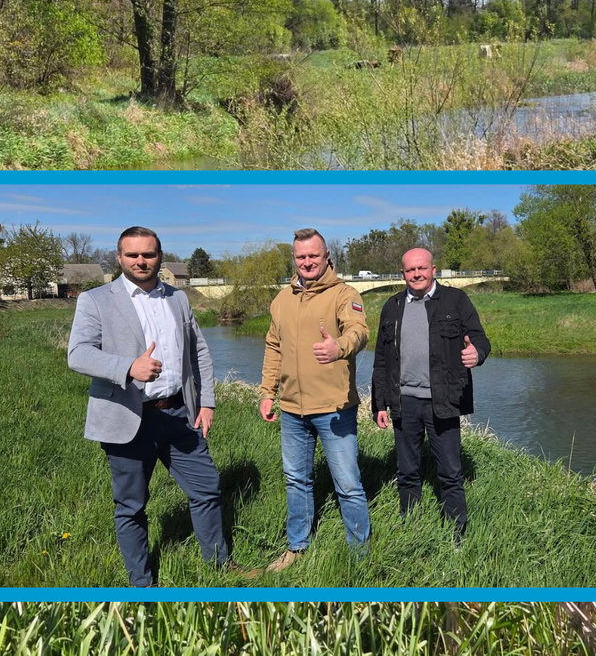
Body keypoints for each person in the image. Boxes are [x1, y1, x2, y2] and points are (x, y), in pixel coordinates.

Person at [67, 226, 228, 587]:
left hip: (180, 414)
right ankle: (142, 585)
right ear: (119, 258)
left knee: (207, 489)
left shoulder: (178, 298)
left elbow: (199, 352)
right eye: (133, 255)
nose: (141, 261)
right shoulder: (95, 300)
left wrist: (206, 402)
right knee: (131, 506)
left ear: (160, 257)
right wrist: (128, 367)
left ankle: (220, 569)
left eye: (149, 254)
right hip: (128, 417)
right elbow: (78, 354)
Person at [249, 228, 371, 575]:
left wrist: (339, 347)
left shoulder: (344, 294)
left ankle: (359, 557)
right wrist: (266, 393)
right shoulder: (282, 299)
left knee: (347, 484)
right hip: (291, 410)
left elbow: (359, 331)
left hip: (334, 409)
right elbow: (274, 347)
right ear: (294, 259)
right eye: (301, 257)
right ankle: (297, 548)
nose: (307, 262)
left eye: (313, 256)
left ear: (327, 256)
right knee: (296, 480)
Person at [371, 247, 491, 541]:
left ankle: (457, 535)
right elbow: (381, 360)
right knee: (406, 471)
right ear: (403, 273)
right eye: (410, 270)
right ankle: (411, 529)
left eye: (422, 268)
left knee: (450, 472)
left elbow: (479, 338)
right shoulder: (392, 306)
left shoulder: (455, 300)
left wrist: (477, 353)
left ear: (433, 269)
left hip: (443, 400)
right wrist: (379, 404)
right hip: (404, 402)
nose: (417, 274)